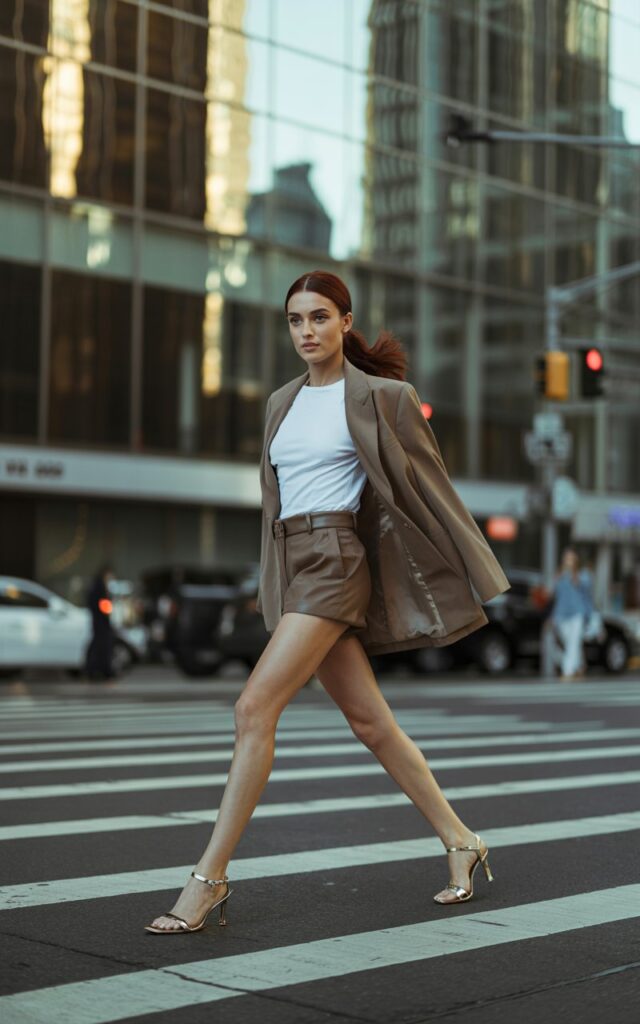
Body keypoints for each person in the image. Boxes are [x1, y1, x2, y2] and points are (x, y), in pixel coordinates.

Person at [145, 270, 510, 934]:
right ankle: (461, 839)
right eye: (295, 320)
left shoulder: (384, 396)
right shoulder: (280, 403)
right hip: (294, 565)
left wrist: (471, 567)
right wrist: (272, 587)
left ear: (346, 322)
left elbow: (427, 486)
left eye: (319, 317)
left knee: (253, 706)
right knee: (373, 726)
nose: (306, 331)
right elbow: (275, 507)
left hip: (338, 562)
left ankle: (208, 882)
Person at [550, 548, 590, 681]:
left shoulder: (582, 575)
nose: (568, 561)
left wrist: (574, 576)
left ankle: (567, 671)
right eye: (566, 558)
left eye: (570, 558)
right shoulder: (559, 575)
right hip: (561, 615)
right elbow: (554, 594)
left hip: (577, 614)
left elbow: (586, 592)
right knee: (570, 643)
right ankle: (580, 665)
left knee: (573, 643)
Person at [85, 564, 115, 681]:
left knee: (99, 646)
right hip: (101, 622)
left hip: (99, 621)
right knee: (101, 646)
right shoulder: (100, 587)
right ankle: (101, 670)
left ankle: (96, 670)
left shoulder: (97, 586)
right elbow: (103, 605)